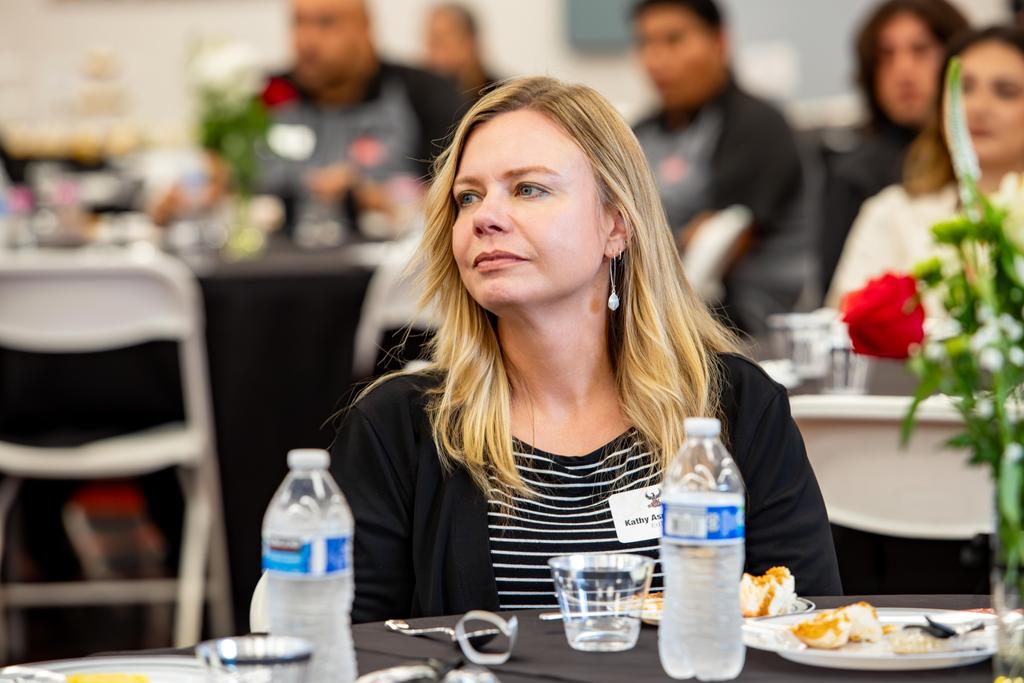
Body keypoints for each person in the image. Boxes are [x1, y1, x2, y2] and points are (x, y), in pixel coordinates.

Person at [329, 76, 841, 624]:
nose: (484, 217)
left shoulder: (733, 406)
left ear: (615, 224)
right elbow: (353, 645)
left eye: (528, 189)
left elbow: (809, 623)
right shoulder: (400, 427)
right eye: (468, 197)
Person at [153, 0, 464, 238]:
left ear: (365, 27)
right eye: (298, 23)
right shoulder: (262, 96)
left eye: (326, 23)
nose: (306, 40)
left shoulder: (426, 94)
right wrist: (192, 197)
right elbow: (219, 181)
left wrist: (375, 198)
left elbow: (459, 201)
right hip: (270, 284)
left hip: (389, 285)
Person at [631, 0, 810, 335]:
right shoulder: (641, 132)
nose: (656, 59)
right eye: (645, 43)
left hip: (739, 328)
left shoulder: (756, 125)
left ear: (719, 42)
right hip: (651, 307)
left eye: (673, 40)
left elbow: (715, 244)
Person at [828, 26, 1024, 308]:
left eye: (1005, 92)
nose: (979, 107)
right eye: (964, 88)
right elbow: (846, 321)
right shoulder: (892, 213)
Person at [820, 0, 968, 296]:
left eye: (920, 50)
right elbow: (844, 303)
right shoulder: (855, 177)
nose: (903, 70)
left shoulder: (986, 159)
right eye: (886, 56)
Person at [423, 3, 500, 103]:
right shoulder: (420, 97)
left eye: (440, 40)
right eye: (430, 40)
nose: (431, 47)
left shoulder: (500, 97)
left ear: (469, 42)